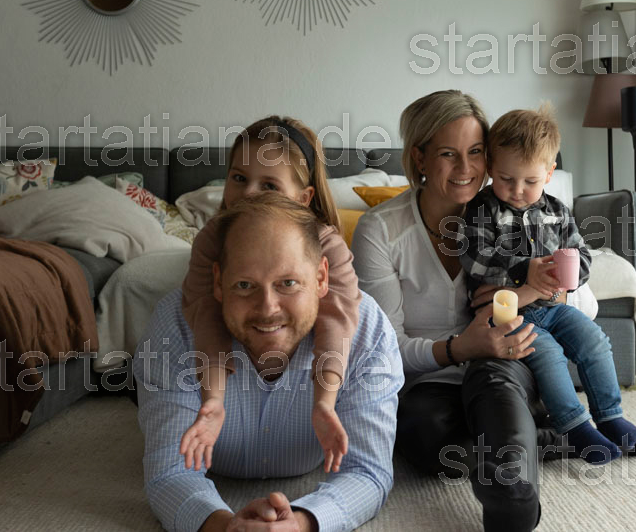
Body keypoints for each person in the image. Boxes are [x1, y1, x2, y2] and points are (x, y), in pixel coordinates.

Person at [351, 90, 573, 532]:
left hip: (506, 365)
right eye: (448, 154)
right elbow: (385, 350)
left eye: (475, 152)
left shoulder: (516, 211)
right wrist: (460, 348)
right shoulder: (380, 230)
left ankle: (512, 506)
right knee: (421, 433)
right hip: (433, 379)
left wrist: (536, 291)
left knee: (494, 387)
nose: (466, 168)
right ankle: (545, 437)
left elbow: (568, 293)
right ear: (419, 157)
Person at [134, 192, 403, 532]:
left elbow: (368, 471)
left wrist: (302, 524)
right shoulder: (174, 327)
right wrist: (226, 527)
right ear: (218, 282)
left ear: (321, 278)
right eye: (245, 285)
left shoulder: (367, 331)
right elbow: (169, 474)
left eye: (287, 283)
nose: (267, 308)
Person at [459, 106, 636, 465]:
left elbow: (580, 252)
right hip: (507, 312)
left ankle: (610, 415)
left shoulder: (557, 211)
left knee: (593, 340)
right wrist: (523, 270)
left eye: (530, 181)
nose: (517, 191)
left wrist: (571, 277)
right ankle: (574, 427)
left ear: (549, 173)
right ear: (490, 168)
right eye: (505, 179)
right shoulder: (482, 209)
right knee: (547, 354)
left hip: (553, 307)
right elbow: (476, 257)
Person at [178, 116, 361, 475]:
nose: (248, 194)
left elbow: (336, 320)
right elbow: (206, 315)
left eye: (269, 185)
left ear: (303, 199)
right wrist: (213, 399)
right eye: (239, 178)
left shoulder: (327, 244)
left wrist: (324, 402)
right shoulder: (211, 238)